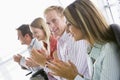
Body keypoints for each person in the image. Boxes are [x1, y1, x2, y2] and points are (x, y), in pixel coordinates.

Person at [45, 0, 120, 80]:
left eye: (69, 24)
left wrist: (73, 76)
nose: (67, 30)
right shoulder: (90, 49)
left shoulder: (108, 50)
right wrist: (76, 75)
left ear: (83, 23)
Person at [31, 6, 90, 80]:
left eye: (54, 20)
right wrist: (45, 62)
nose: (51, 26)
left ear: (64, 18)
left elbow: (70, 77)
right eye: (48, 23)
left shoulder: (75, 39)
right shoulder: (60, 42)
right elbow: (62, 76)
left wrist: (44, 63)